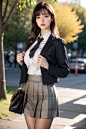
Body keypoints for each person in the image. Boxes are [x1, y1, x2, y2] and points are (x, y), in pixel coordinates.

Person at [17, 2, 70, 129]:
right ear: (35, 19)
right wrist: (21, 63)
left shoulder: (57, 42)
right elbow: (30, 68)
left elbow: (65, 71)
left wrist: (47, 66)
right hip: (28, 90)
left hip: (46, 91)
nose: (42, 19)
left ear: (52, 18)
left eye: (45, 16)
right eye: (38, 16)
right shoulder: (31, 41)